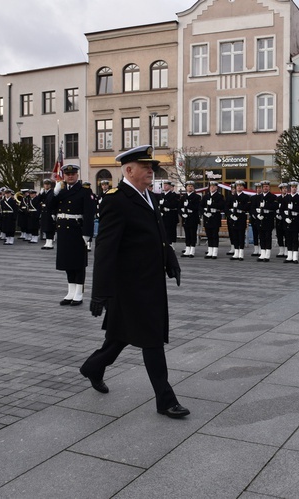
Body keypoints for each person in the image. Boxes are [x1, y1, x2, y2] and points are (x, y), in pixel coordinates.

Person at [81, 144, 189, 420]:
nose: (151, 171)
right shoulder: (116, 199)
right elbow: (105, 249)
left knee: (120, 336)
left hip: (150, 281)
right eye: (146, 167)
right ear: (129, 170)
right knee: (151, 339)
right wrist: (100, 292)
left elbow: (159, 233)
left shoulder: (148, 196)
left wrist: (171, 262)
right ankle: (165, 400)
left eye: (151, 167)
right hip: (130, 286)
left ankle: (93, 367)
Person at [48, 164, 94, 306]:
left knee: (78, 263)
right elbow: (49, 206)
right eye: (67, 174)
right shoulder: (61, 191)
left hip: (76, 229)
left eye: (73, 173)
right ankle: (70, 291)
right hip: (63, 230)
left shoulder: (84, 191)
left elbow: (89, 213)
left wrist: (87, 233)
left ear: (77, 175)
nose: (70, 176)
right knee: (67, 262)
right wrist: (54, 192)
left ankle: (79, 292)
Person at [252, 180, 277, 262]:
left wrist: (265, 205)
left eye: (267, 186)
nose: (265, 188)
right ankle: (262, 253)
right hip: (260, 219)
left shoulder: (273, 197)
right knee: (261, 237)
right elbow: (253, 208)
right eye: (264, 187)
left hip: (268, 219)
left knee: (267, 237)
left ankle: (267, 254)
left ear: (269, 187)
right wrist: (257, 215)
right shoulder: (258, 197)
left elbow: (275, 207)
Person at [282, 181, 299, 263]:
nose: (294, 188)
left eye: (295, 187)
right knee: (288, 239)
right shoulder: (285, 198)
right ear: (290, 188)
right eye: (292, 187)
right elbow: (282, 210)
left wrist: (294, 207)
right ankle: (289, 256)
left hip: (295, 220)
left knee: (295, 239)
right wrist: (285, 218)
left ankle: (295, 256)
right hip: (287, 220)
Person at [201, 181, 225, 259]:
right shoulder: (205, 196)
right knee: (209, 235)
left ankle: (215, 252)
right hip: (207, 217)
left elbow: (221, 206)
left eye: (213, 186)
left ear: (216, 187)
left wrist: (212, 204)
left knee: (215, 235)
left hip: (215, 217)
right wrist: (204, 212)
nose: (212, 187)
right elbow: (200, 206)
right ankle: (209, 251)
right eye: (211, 186)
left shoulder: (219, 196)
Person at [179, 181, 201, 258]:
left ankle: (192, 250)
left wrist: (189, 206)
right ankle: (187, 249)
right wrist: (182, 214)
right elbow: (179, 207)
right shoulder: (183, 197)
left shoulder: (197, 197)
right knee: (187, 234)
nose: (190, 187)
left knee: (192, 234)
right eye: (188, 186)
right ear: (186, 188)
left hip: (193, 217)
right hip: (185, 218)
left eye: (191, 186)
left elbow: (197, 207)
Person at [159, 181, 180, 246]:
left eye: (166, 185)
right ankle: (165, 243)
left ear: (170, 186)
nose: (165, 186)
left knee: (171, 231)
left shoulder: (174, 195)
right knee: (164, 230)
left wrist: (165, 203)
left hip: (171, 215)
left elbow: (174, 204)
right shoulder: (161, 195)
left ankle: (172, 245)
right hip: (163, 215)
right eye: (164, 185)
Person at [38, 180, 56, 249]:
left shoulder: (52, 192)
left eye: (48, 184)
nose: (46, 186)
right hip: (44, 212)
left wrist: (54, 213)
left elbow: (54, 203)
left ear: (50, 185)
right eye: (45, 184)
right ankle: (47, 242)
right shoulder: (43, 193)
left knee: (50, 228)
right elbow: (37, 201)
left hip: (50, 212)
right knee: (45, 228)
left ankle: (50, 243)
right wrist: (40, 194)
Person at [275, 182, 289, 257]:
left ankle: (286, 250)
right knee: (279, 234)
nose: (284, 190)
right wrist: (276, 214)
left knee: (286, 234)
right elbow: (275, 207)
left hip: (286, 219)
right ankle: (281, 250)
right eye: (283, 188)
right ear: (280, 190)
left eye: (285, 188)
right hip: (278, 219)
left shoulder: (289, 198)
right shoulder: (278, 198)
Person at [249, 183, 262, 256]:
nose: (258, 189)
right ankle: (255, 249)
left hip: (261, 218)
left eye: (260, 188)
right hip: (254, 218)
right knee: (255, 234)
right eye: (257, 188)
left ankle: (260, 248)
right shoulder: (252, 197)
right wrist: (253, 215)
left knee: (261, 234)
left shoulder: (262, 197)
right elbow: (251, 208)